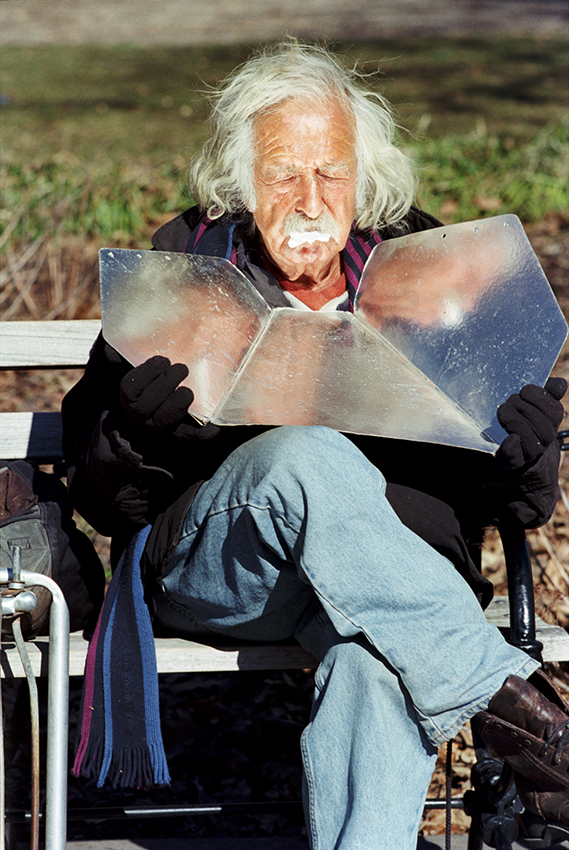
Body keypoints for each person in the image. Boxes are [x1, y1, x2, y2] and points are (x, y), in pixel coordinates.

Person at [62, 42, 568, 849]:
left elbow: (520, 503)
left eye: (330, 172)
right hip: (230, 570)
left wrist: (520, 455)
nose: (308, 198)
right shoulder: (186, 270)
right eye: (282, 173)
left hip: (390, 586)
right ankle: (514, 704)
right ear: (240, 181)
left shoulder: (430, 271)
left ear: (363, 180)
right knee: (308, 457)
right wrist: (134, 431)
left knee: (375, 667)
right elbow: (96, 495)